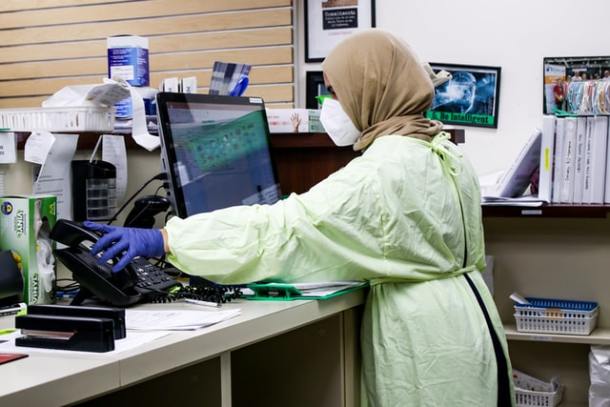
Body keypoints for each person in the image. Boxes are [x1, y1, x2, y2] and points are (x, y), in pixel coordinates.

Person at [85, 30, 514, 406]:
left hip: (426, 345)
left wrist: (166, 241)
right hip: (469, 326)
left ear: (371, 92)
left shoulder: (383, 170)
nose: (330, 105)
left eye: (336, 92)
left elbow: (282, 232)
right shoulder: (442, 150)